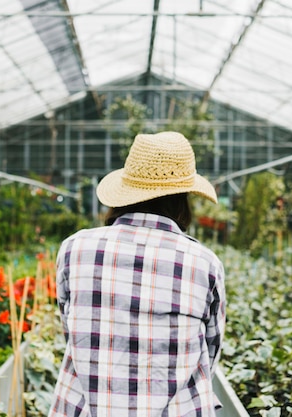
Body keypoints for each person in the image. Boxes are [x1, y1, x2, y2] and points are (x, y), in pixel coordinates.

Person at [49, 131, 226, 416]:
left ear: (124, 193)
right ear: (183, 199)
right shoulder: (204, 263)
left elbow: (72, 329)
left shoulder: (75, 248)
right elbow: (211, 350)